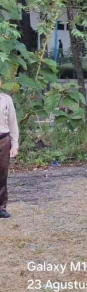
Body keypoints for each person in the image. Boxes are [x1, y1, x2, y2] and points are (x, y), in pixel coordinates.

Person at [0, 75, 20, 218]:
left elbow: (13, 123)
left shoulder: (6, 100)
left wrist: (14, 144)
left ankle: (1, 207)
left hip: (3, 140)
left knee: (2, 174)